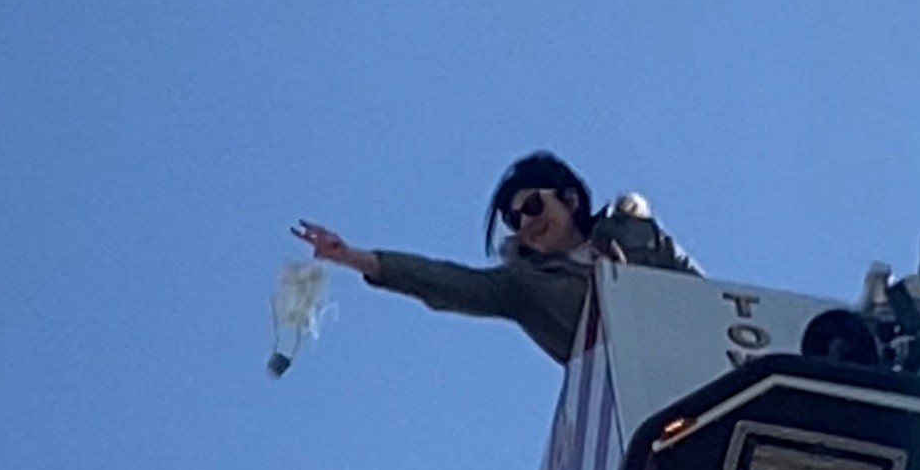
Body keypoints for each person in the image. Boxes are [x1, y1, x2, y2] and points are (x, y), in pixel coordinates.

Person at [292, 152, 700, 365]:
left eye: (534, 206)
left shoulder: (631, 229)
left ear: (569, 199)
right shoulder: (525, 285)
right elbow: (445, 282)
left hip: (696, 353)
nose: (525, 222)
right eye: (514, 217)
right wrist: (352, 257)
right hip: (632, 395)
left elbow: (702, 293)